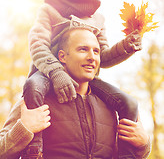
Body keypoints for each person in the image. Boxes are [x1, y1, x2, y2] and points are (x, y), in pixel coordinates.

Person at [23, 0, 142, 157]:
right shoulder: (48, 10)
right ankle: (34, 148)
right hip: (48, 72)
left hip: (86, 77)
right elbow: (38, 45)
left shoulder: (97, 17)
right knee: (32, 87)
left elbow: (102, 56)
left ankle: (127, 154)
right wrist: (56, 72)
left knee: (129, 103)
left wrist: (126, 47)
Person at [0, 28, 151, 159]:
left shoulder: (111, 106)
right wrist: (23, 129)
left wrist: (143, 145)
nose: (92, 57)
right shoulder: (35, 102)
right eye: (83, 49)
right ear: (62, 57)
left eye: (96, 51)